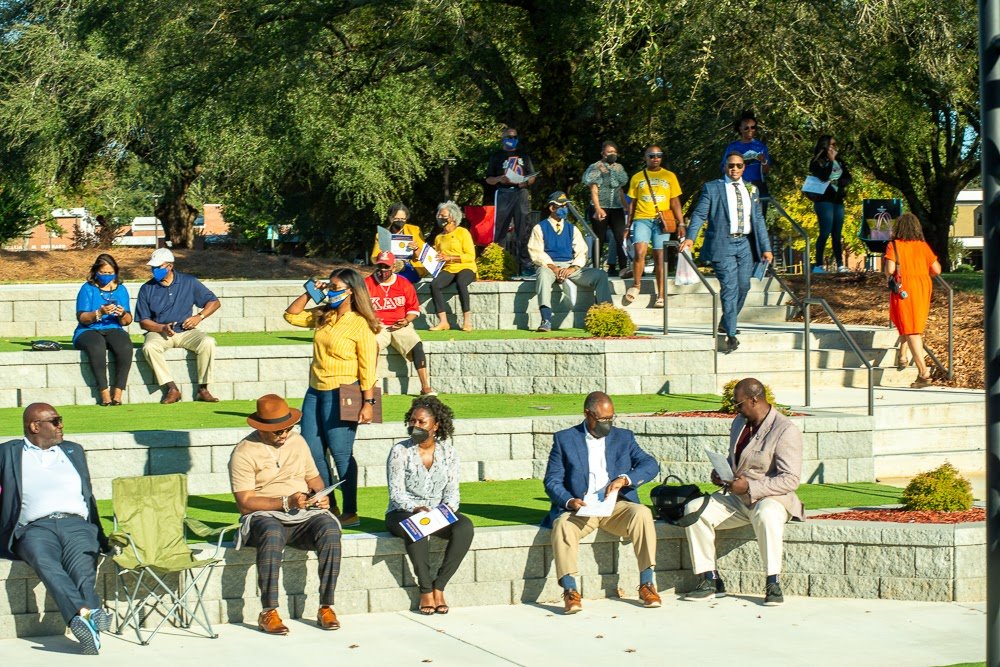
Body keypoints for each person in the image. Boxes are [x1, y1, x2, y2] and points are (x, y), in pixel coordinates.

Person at [682, 378, 804, 607]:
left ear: (754, 400)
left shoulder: (786, 430)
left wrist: (750, 487)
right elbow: (737, 460)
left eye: (739, 405)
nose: (736, 409)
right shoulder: (740, 422)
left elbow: (790, 479)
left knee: (766, 514)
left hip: (771, 498)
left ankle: (773, 581)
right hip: (737, 498)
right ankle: (710, 580)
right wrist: (722, 473)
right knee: (693, 509)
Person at [0, 403, 111, 654]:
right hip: (34, 528)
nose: (62, 426)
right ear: (35, 426)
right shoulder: (8, 452)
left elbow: (88, 495)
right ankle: (90, 610)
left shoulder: (73, 450)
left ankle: (82, 616)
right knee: (45, 561)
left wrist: (99, 534)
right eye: (56, 421)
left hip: (77, 525)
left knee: (83, 568)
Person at [229, 394, 344, 635]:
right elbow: (245, 503)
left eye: (287, 429)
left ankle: (326, 606)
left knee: (330, 529)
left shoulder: (297, 441)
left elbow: (313, 477)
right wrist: (284, 502)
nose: (283, 435)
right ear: (262, 428)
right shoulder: (244, 452)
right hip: (264, 516)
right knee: (271, 532)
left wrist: (321, 495)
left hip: (302, 514)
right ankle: (268, 611)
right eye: (277, 432)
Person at [542, 392, 661, 614]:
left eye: (611, 418)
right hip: (581, 508)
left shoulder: (623, 437)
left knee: (642, 513)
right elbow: (552, 480)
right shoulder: (564, 439)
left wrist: (624, 479)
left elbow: (650, 464)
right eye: (603, 419)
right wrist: (569, 501)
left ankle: (647, 583)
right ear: (588, 414)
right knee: (562, 526)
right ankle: (570, 591)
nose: (608, 423)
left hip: (615, 507)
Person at [284, 267, 380, 528]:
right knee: (312, 451)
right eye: (330, 286)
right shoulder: (323, 316)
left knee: (340, 454)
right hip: (315, 390)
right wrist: (309, 291)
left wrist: (369, 404)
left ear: (351, 291)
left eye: (336, 287)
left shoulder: (361, 324)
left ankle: (350, 511)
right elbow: (290, 316)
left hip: (345, 391)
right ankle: (329, 505)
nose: (332, 291)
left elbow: (368, 367)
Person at [385, 396, 474, 615]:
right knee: (417, 526)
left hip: (438, 512)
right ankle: (425, 590)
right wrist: (415, 508)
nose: (415, 425)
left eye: (421, 422)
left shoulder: (449, 452)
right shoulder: (400, 451)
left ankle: (439, 586)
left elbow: (453, 491)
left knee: (464, 527)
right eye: (412, 421)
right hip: (403, 512)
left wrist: (444, 511)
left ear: (436, 426)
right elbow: (396, 492)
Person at [682, 153, 774, 353]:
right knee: (730, 288)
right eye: (730, 165)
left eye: (738, 165)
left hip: (745, 244)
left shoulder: (752, 189)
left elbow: (758, 220)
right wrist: (690, 238)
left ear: (743, 168)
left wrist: (766, 248)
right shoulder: (713, 188)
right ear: (724, 167)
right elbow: (699, 214)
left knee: (744, 286)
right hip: (722, 244)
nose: (734, 169)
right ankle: (730, 334)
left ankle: (725, 322)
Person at [135, 247, 221, 404]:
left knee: (208, 342)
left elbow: (214, 302)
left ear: (170, 266)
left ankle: (203, 389)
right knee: (149, 348)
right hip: (160, 332)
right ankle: (172, 388)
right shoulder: (146, 288)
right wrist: (161, 327)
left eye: (158, 267)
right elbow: (143, 321)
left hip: (186, 331)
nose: (154, 270)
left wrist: (199, 316)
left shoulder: (189, 282)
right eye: (153, 267)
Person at [527, 191, 613, 332]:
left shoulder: (572, 228)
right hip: (549, 266)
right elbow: (536, 252)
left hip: (569, 266)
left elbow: (582, 251)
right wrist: (554, 268)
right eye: (561, 206)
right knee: (542, 274)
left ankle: (606, 314)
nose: (565, 209)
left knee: (600, 275)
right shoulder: (539, 228)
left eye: (566, 205)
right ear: (552, 208)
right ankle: (546, 319)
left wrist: (571, 268)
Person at [364, 251, 436, 395]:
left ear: (394, 267)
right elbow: (360, 306)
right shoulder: (367, 283)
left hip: (401, 325)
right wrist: (371, 321)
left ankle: (425, 387)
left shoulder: (404, 283)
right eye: (380, 266)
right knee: (370, 346)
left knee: (417, 345)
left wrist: (406, 320)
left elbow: (413, 309)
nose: (383, 270)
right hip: (377, 326)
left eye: (386, 267)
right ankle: (371, 385)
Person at [884, 212, 942, 388]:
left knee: (912, 329)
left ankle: (923, 373)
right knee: (911, 324)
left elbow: (890, 269)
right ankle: (903, 354)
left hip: (904, 288)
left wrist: (890, 275)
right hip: (923, 287)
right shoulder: (923, 246)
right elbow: (937, 270)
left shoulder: (893, 245)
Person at [624, 145, 685, 308]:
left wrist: (682, 223)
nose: (655, 158)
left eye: (659, 155)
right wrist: (627, 225)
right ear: (645, 157)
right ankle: (636, 285)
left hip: (662, 221)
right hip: (642, 218)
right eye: (651, 156)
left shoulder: (669, 176)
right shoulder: (637, 177)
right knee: (639, 252)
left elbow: (675, 201)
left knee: (660, 257)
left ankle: (661, 294)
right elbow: (632, 203)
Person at [72, 253, 134, 406]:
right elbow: (82, 318)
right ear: (96, 272)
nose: (107, 276)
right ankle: (104, 392)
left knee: (125, 346)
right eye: (103, 273)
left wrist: (122, 313)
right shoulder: (88, 289)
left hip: (113, 327)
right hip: (88, 330)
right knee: (96, 346)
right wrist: (99, 313)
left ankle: (118, 392)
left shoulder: (121, 290)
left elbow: (127, 321)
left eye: (110, 273)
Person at [485, 126, 537, 277]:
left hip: (521, 192)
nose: (511, 140)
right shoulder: (496, 156)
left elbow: (532, 176)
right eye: (509, 137)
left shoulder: (524, 156)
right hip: (503, 193)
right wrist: (500, 179)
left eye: (514, 137)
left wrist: (525, 182)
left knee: (523, 229)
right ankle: (498, 262)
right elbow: (489, 179)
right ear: (503, 139)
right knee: (500, 230)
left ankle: (526, 264)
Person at [720, 111, 772, 255]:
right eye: (746, 128)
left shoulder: (760, 146)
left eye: (753, 127)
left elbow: (767, 169)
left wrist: (763, 161)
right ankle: (739, 254)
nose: (750, 131)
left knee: (758, 221)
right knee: (742, 220)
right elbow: (724, 167)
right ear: (739, 129)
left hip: (758, 185)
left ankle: (758, 256)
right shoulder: (733, 147)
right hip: (739, 185)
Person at [582, 141, 630, 276]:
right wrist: (597, 208)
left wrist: (626, 207)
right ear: (603, 153)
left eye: (614, 152)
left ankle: (623, 268)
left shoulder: (619, 168)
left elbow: (620, 188)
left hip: (616, 207)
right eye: (609, 152)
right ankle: (596, 269)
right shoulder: (595, 167)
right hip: (600, 207)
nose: (612, 154)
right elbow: (593, 189)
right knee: (599, 238)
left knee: (621, 236)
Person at [428, 201, 477, 332]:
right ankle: (443, 322)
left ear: (453, 217)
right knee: (434, 285)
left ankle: (467, 320)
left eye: (443, 215)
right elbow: (439, 257)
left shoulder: (463, 232)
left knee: (461, 283)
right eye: (439, 215)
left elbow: (470, 256)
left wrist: (450, 257)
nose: (440, 217)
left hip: (465, 266)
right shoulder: (438, 237)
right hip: (448, 268)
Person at [808, 134, 853, 274]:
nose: (834, 147)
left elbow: (848, 177)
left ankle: (840, 264)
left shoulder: (840, 161)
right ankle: (818, 265)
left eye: (835, 144)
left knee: (837, 233)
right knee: (825, 232)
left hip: (837, 200)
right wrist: (831, 161)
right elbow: (823, 176)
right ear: (825, 146)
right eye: (831, 145)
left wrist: (840, 181)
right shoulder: (817, 162)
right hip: (824, 200)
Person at [371, 202, 427, 283]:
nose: (400, 221)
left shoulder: (415, 230)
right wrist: (387, 260)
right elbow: (374, 257)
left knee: (397, 279)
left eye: (403, 219)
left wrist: (416, 249)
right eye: (396, 219)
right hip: (388, 268)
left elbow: (424, 254)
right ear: (390, 218)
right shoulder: (381, 235)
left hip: (411, 268)